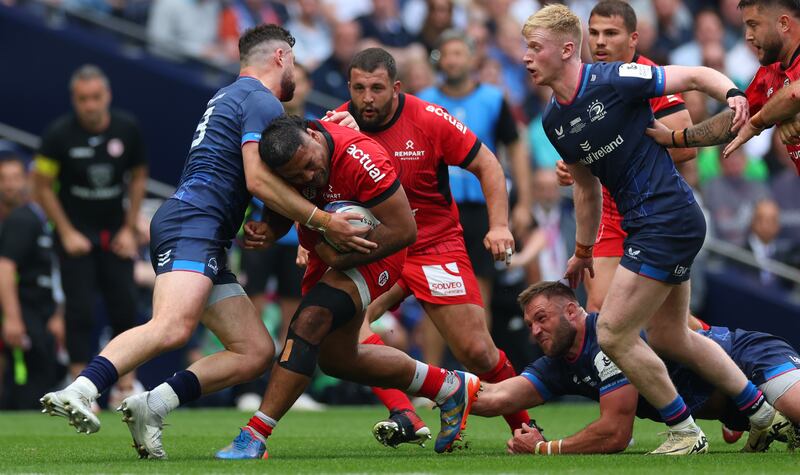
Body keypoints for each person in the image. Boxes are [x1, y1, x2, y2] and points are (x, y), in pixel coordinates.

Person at [39, 24, 372, 459]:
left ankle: (153, 405)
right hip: (194, 223)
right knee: (173, 325)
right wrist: (323, 221)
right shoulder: (259, 98)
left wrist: (269, 221)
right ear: (280, 58)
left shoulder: (235, 96)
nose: (298, 71)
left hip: (206, 230)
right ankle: (83, 388)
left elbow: (255, 177)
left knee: (254, 351)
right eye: (295, 60)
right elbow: (257, 177)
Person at [525, 4, 785, 455]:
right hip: (660, 222)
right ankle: (761, 413)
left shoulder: (613, 79)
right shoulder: (553, 120)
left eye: (534, 48)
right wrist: (583, 250)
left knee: (611, 332)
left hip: (664, 219)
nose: (526, 57)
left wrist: (735, 95)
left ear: (567, 50)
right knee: (670, 336)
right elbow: (586, 190)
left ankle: (684, 429)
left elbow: (698, 73)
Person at [216, 116, 480, 459]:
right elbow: (287, 208)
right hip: (326, 256)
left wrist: (338, 256)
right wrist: (269, 228)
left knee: (308, 322)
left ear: (313, 135)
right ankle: (449, 387)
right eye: (297, 176)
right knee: (338, 359)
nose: (309, 177)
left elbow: (405, 230)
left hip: (379, 252)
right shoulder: (291, 164)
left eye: (310, 166)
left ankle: (256, 434)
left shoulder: (361, 158)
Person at [331, 47, 531, 443]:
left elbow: (488, 164)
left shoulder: (426, 117)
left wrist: (500, 226)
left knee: (477, 352)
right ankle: (407, 416)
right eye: (358, 88)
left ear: (396, 87)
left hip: (433, 245)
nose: (366, 98)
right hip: (378, 249)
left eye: (376, 88)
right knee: (345, 333)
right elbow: (320, 187)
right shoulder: (337, 124)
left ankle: (525, 428)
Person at [471, 281, 800, 454]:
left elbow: (615, 434)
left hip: (749, 355)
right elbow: (497, 397)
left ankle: (691, 434)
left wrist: (543, 449)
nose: (535, 330)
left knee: (795, 407)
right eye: (529, 324)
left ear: (572, 311)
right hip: (726, 405)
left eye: (541, 318)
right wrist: (432, 383)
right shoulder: (559, 362)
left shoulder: (610, 335)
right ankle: (746, 418)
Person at [554, 0, 697, 313]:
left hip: (655, 206)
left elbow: (687, 146)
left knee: (662, 324)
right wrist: (577, 166)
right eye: (593, 33)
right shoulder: (583, 82)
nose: (600, 41)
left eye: (611, 33)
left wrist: (607, 159)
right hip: (609, 212)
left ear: (633, 38)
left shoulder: (649, 76)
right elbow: (587, 157)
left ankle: (730, 348)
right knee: (600, 306)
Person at [32, 64, 147, 405]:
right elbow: (41, 186)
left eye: (96, 97)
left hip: (116, 235)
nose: (91, 105)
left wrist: (129, 228)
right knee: (78, 312)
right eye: (83, 99)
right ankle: (81, 387)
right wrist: (65, 232)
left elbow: (138, 177)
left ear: (107, 96)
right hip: (76, 238)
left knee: (124, 307)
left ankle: (126, 386)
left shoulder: (127, 129)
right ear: (74, 100)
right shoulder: (58, 135)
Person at [418, 29, 533, 321]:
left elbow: (516, 149)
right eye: (446, 55)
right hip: (440, 207)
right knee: (437, 291)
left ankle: (484, 364)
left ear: (472, 59)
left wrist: (523, 204)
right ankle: (434, 365)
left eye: (459, 54)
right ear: (437, 61)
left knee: (481, 290)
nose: (452, 61)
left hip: (484, 205)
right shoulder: (423, 101)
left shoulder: (493, 99)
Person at [648, 0, 800, 174]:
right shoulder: (768, 74)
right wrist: (676, 137)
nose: (748, 36)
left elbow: (794, 94)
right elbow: (736, 119)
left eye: (754, 25)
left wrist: (757, 122)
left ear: (783, 23)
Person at [0, 155, 64, 409]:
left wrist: (56, 313)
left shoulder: (36, 218)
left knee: (40, 379)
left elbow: (54, 274)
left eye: (16, 178)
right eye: (4, 179)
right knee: (25, 387)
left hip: (40, 315)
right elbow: (5, 268)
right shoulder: (21, 220)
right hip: (25, 317)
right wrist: (13, 319)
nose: (10, 185)